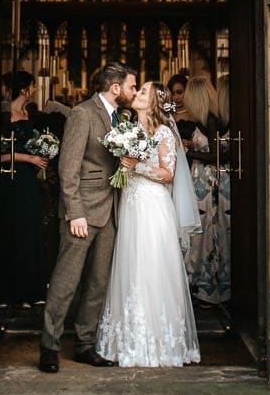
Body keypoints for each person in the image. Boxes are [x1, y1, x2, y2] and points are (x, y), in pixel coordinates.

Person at [39, 62, 138, 373]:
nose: (133, 91)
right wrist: (75, 213)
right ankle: (49, 346)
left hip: (110, 211)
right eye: (131, 86)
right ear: (115, 87)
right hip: (82, 212)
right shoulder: (82, 113)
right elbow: (67, 168)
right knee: (66, 281)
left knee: (98, 282)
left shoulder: (120, 118)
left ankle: (85, 343)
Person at [95, 81, 201, 367]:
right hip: (131, 205)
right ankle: (128, 341)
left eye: (142, 92)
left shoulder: (164, 132)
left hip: (153, 207)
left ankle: (158, 342)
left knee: (150, 267)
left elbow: (168, 174)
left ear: (153, 101)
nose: (137, 94)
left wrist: (134, 166)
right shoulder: (129, 129)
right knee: (130, 267)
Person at [0, 71, 51, 307]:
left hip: (29, 179)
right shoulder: (2, 115)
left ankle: (31, 291)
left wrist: (44, 152)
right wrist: (29, 158)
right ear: (24, 89)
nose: (35, 90)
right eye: (32, 86)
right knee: (12, 229)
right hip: (11, 178)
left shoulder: (30, 114)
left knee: (30, 228)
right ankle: (10, 294)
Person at [181, 75, 231, 307]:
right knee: (201, 233)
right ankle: (202, 284)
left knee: (207, 232)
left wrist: (189, 153)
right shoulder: (206, 119)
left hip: (210, 181)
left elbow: (217, 155)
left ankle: (208, 287)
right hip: (202, 181)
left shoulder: (210, 120)